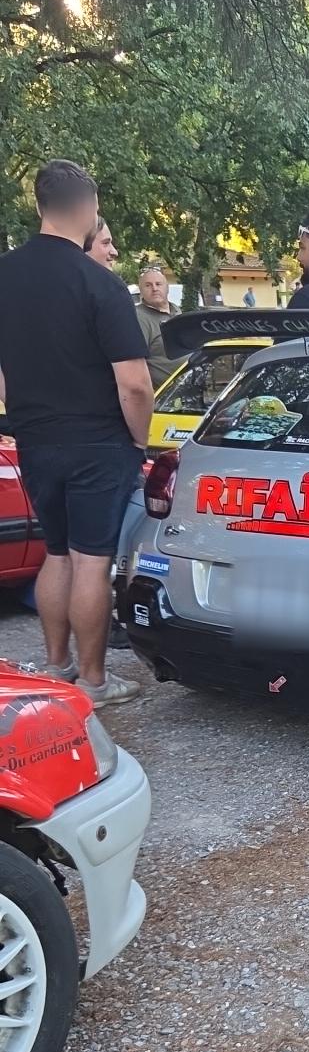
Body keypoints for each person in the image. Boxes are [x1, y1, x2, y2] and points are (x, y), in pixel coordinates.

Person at [0, 160, 153, 704]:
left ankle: (56, 665)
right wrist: (138, 440)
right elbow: (133, 383)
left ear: (39, 205)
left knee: (56, 553)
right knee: (92, 559)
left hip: (35, 439)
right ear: (88, 207)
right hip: (98, 441)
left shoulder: (5, 274)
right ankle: (93, 680)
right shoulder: (100, 284)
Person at [133, 264, 177, 389]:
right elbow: (135, 364)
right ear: (140, 291)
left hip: (187, 394)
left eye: (158, 284)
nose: (154, 288)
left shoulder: (177, 311)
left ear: (167, 288)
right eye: (148, 285)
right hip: (161, 398)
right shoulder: (138, 317)